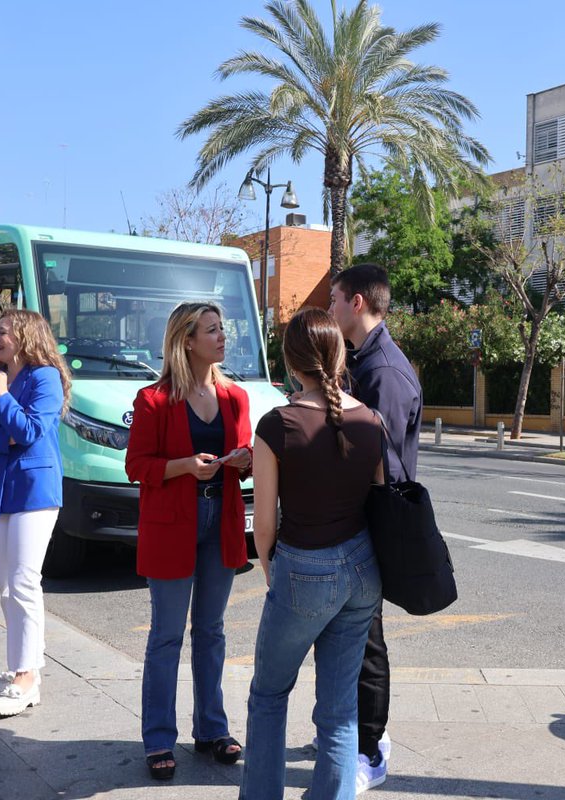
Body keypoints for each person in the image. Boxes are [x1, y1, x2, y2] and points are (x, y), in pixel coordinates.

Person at [240, 308, 384, 800]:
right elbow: (378, 504)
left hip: (304, 566)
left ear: (290, 361)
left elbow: (264, 524)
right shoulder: (371, 420)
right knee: (340, 709)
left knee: (268, 694)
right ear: (339, 355)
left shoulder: (276, 425)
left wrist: (271, 569)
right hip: (363, 570)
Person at [125, 301, 253, 781]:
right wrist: (183, 466)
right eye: (212, 330)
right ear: (187, 340)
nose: (222, 337)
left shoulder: (235, 396)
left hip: (222, 519)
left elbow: (245, 453)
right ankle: (159, 738)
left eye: (222, 329)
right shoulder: (154, 399)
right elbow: (136, 466)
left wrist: (244, 459)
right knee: (166, 635)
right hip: (172, 521)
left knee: (212, 631)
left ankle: (212, 728)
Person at [328, 263, 422, 792]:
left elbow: (381, 460)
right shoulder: (363, 360)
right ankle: (352, 733)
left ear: (357, 302)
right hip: (357, 518)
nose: (330, 308)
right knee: (353, 635)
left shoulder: (383, 371)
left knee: (366, 640)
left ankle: (370, 750)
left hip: (373, 520)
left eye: (335, 299)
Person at [0, 310, 70, 717]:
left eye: (2, 331)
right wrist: (4, 436)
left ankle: (25, 676)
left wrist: (4, 399)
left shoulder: (46, 378)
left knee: (24, 582)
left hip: (35, 491)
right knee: (7, 587)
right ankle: (22, 668)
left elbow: (29, 431)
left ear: (25, 336)